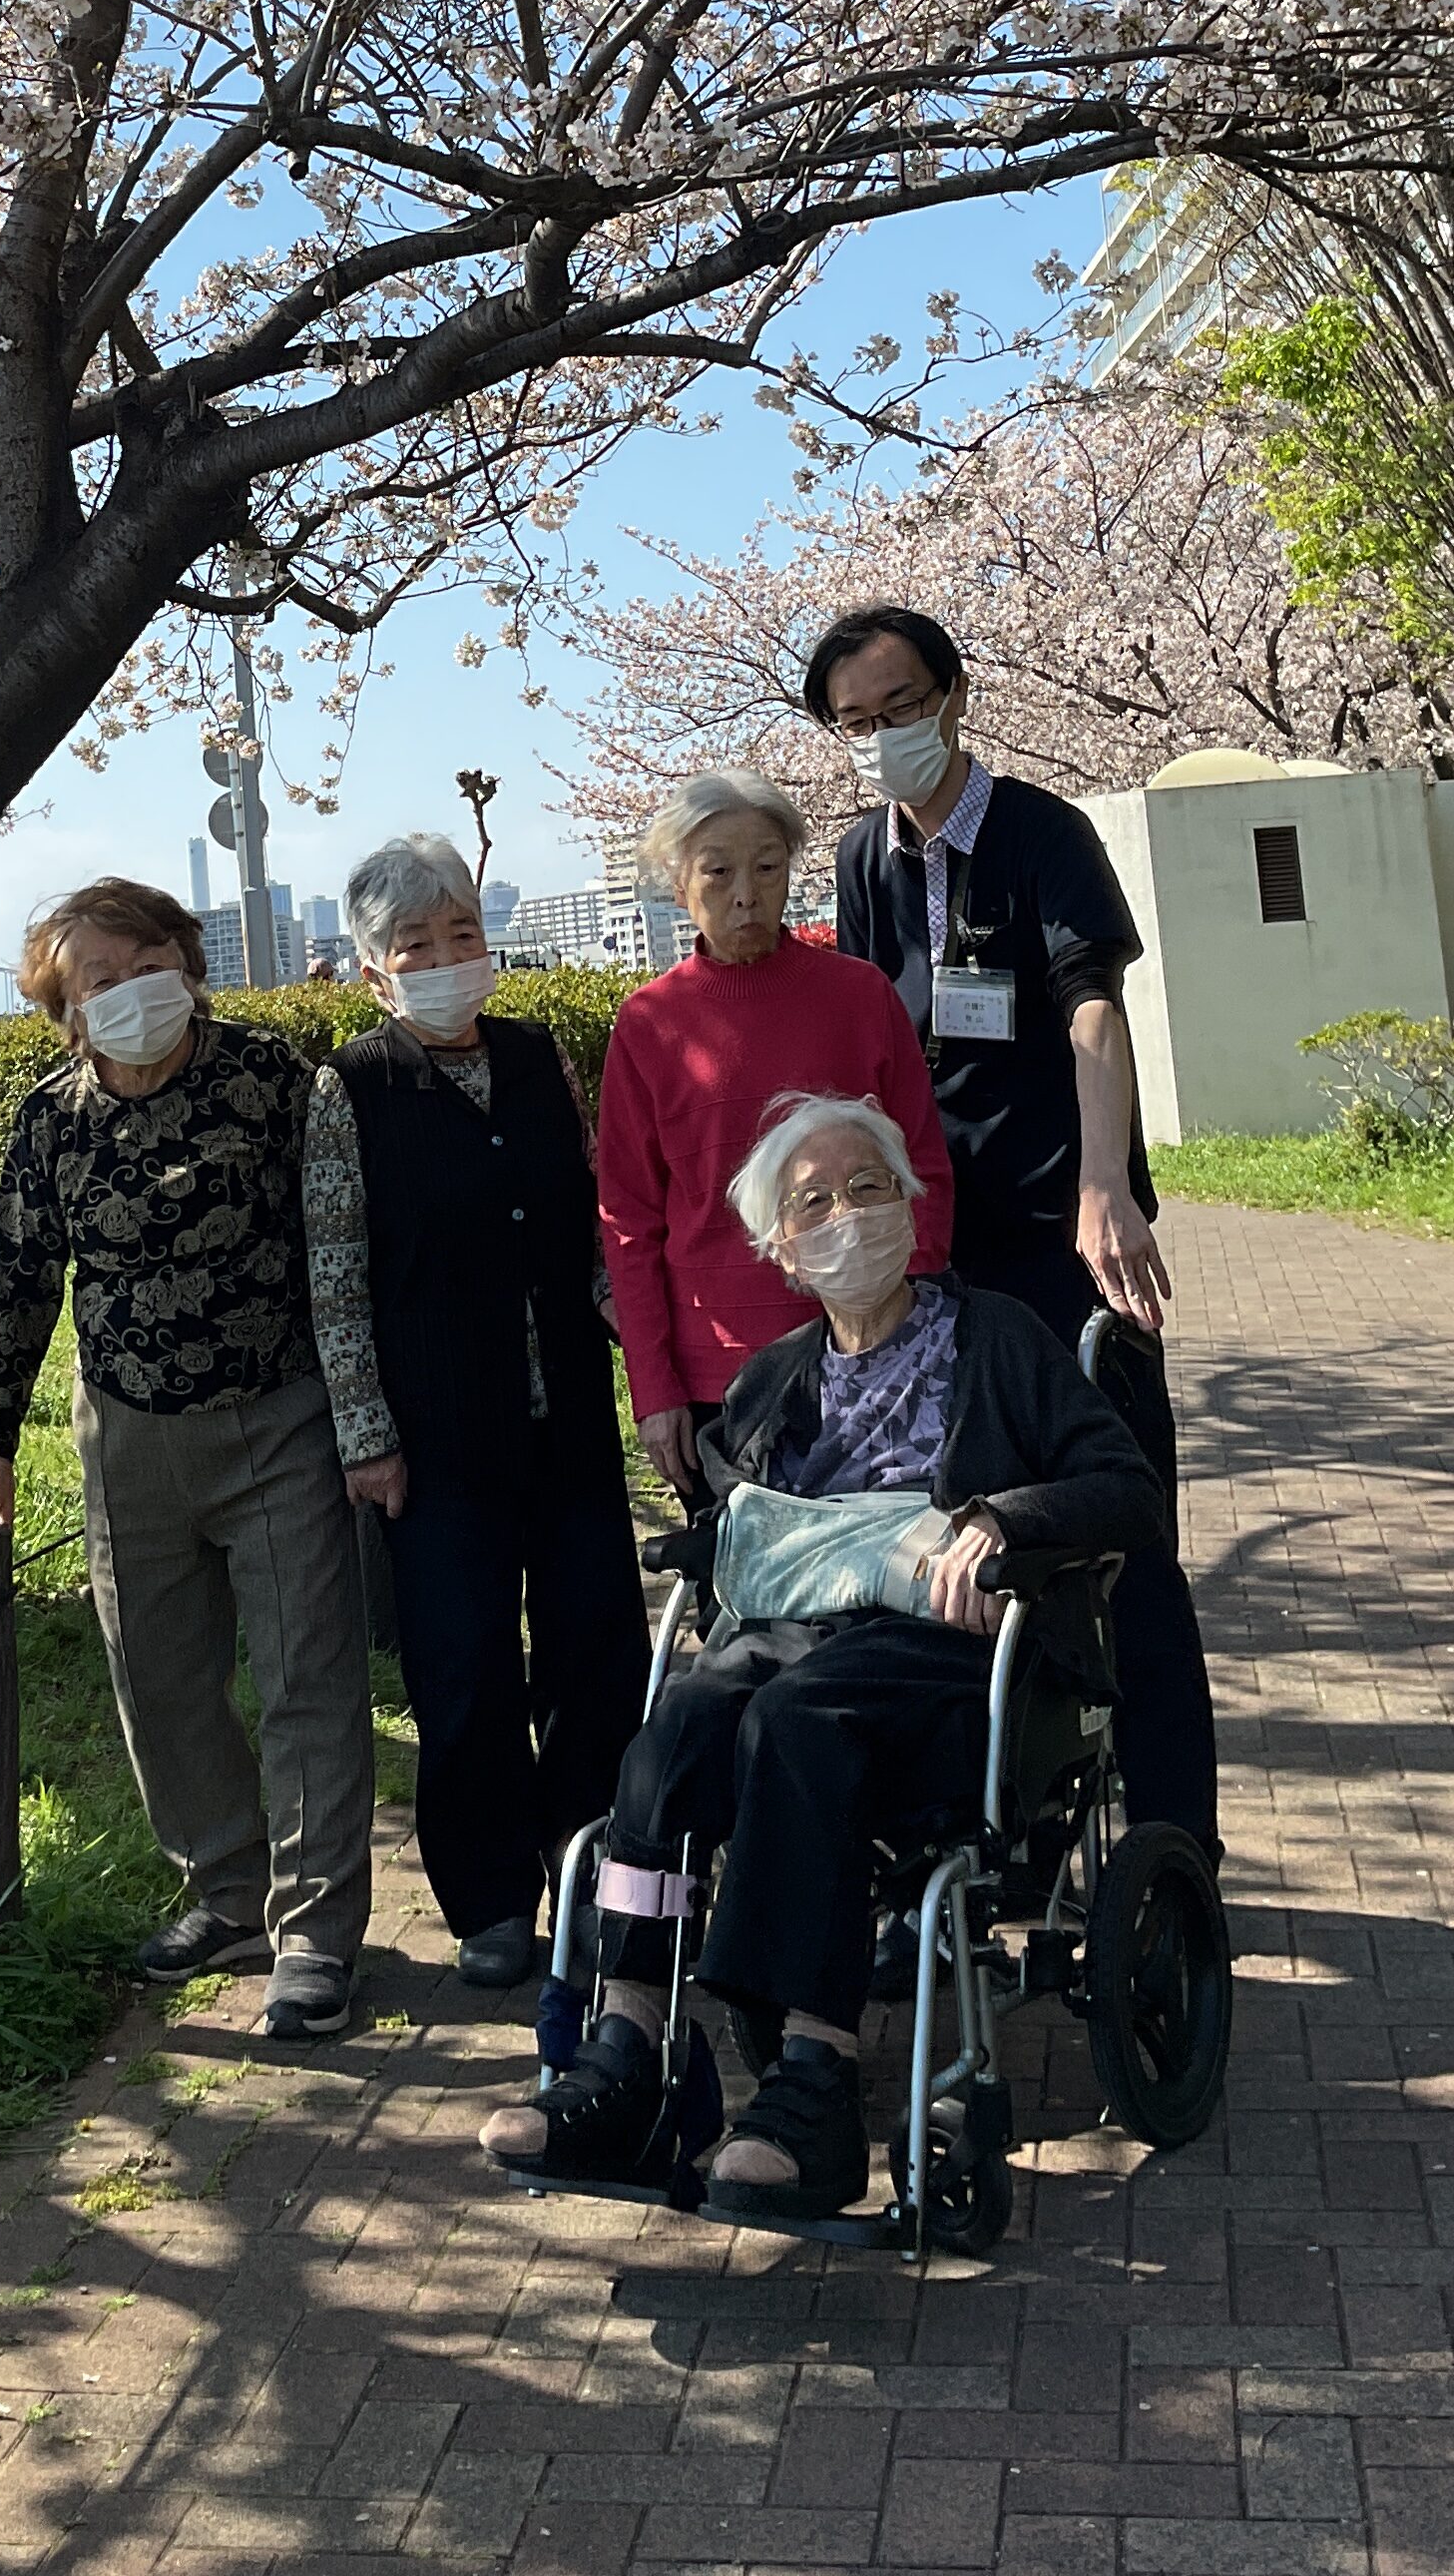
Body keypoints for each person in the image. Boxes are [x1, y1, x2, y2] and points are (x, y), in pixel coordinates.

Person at [480, 1095, 1164, 2222]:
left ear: (911, 1203)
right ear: (780, 1248)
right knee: (675, 1734)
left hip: (944, 1653)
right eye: (814, 1203)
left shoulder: (997, 1340)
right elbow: (732, 1529)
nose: (846, 1215)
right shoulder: (771, 1383)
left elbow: (1126, 1490)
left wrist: (1000, 1520)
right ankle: (625, 2051)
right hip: (795, 1644)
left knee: (795, 1722)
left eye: (868, 1188)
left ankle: (813, 2083)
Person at [804, 602, 1218, 1858]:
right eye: (856, 723)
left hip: (1065, 1242)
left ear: (955, 700)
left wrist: (1106, 1185)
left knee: (1118, 1525)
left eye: (901, 709)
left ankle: (1174, 1848)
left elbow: (1093, 1010)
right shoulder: (862, 862)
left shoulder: (1042, 834)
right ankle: (1009, 1832)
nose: (883, 739)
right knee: (961, 1536)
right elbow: (881, 1053)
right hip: (938, 1257)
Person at [0, 877, 374, 2041]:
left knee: (306, 1677)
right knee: (161, 1679)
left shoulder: (274, 1081)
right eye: (100, 981)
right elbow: (16, 1291)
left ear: (187, 962)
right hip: (126, 1434)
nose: (131, 993)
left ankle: (319, 1933)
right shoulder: (51, 1122)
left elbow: (343, 1253)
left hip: (278, 1417)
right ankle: (227, 1893)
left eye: (146, 964)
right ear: (67, 1012)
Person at [304, 834, 650, 1992]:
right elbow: (336, 1274)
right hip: (435, 1437)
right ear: (372, 973)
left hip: (568, 1420)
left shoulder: (536, 1054)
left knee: (597, 1650)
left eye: (462, 936)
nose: (446, 959)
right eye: (416, 945)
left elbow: (590, 1227)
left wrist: (655, 1353)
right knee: (464, 1677)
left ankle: (600, 1874)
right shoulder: (349, 1088)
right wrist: (365, 1436)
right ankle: (492, 1898)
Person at [595, 772, 953, 1498]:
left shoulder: (860, 996)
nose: (746, 894)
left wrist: (906, 1314)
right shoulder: (648, 1025)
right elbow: (628, 1221)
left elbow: (924, 1169)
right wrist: (654, 1388)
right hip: (715, 1371)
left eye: (768, 866)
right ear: (677, 882)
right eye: (718, 871)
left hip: (869, 1350)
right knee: (738, 1593)